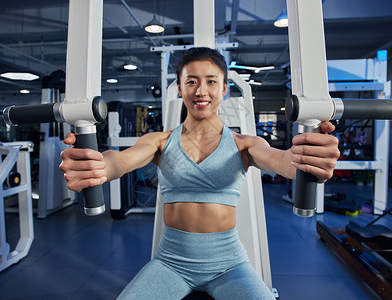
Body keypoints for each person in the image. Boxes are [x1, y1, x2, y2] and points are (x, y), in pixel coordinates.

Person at [59, 47, 340, 299]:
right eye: (191, 81)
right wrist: (96, 167)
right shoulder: (159, 141)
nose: (200, 91)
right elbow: (119, 161)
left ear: (225, 88)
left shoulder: (245, 145)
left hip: (229, 263)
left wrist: (306, 159)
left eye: (211, 81)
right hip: (171, 262)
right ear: (180, 89)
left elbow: (281, 161)